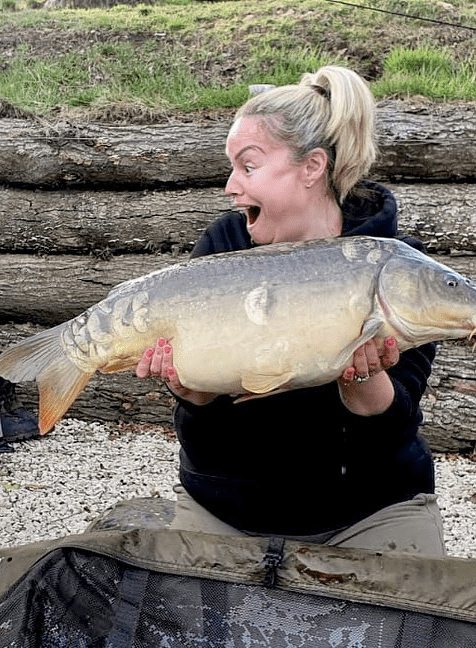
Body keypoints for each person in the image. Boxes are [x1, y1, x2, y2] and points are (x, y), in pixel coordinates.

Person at [135, 65, 444, 555]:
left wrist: (360, 379)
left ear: (312, 167)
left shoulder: (396, 267)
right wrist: (192, 394)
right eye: (232, 167)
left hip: (370, 510)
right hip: (228, 508)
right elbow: (206, 442)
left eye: (248, 167)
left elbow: (392, 432)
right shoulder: (224, 245)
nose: (231, 187)